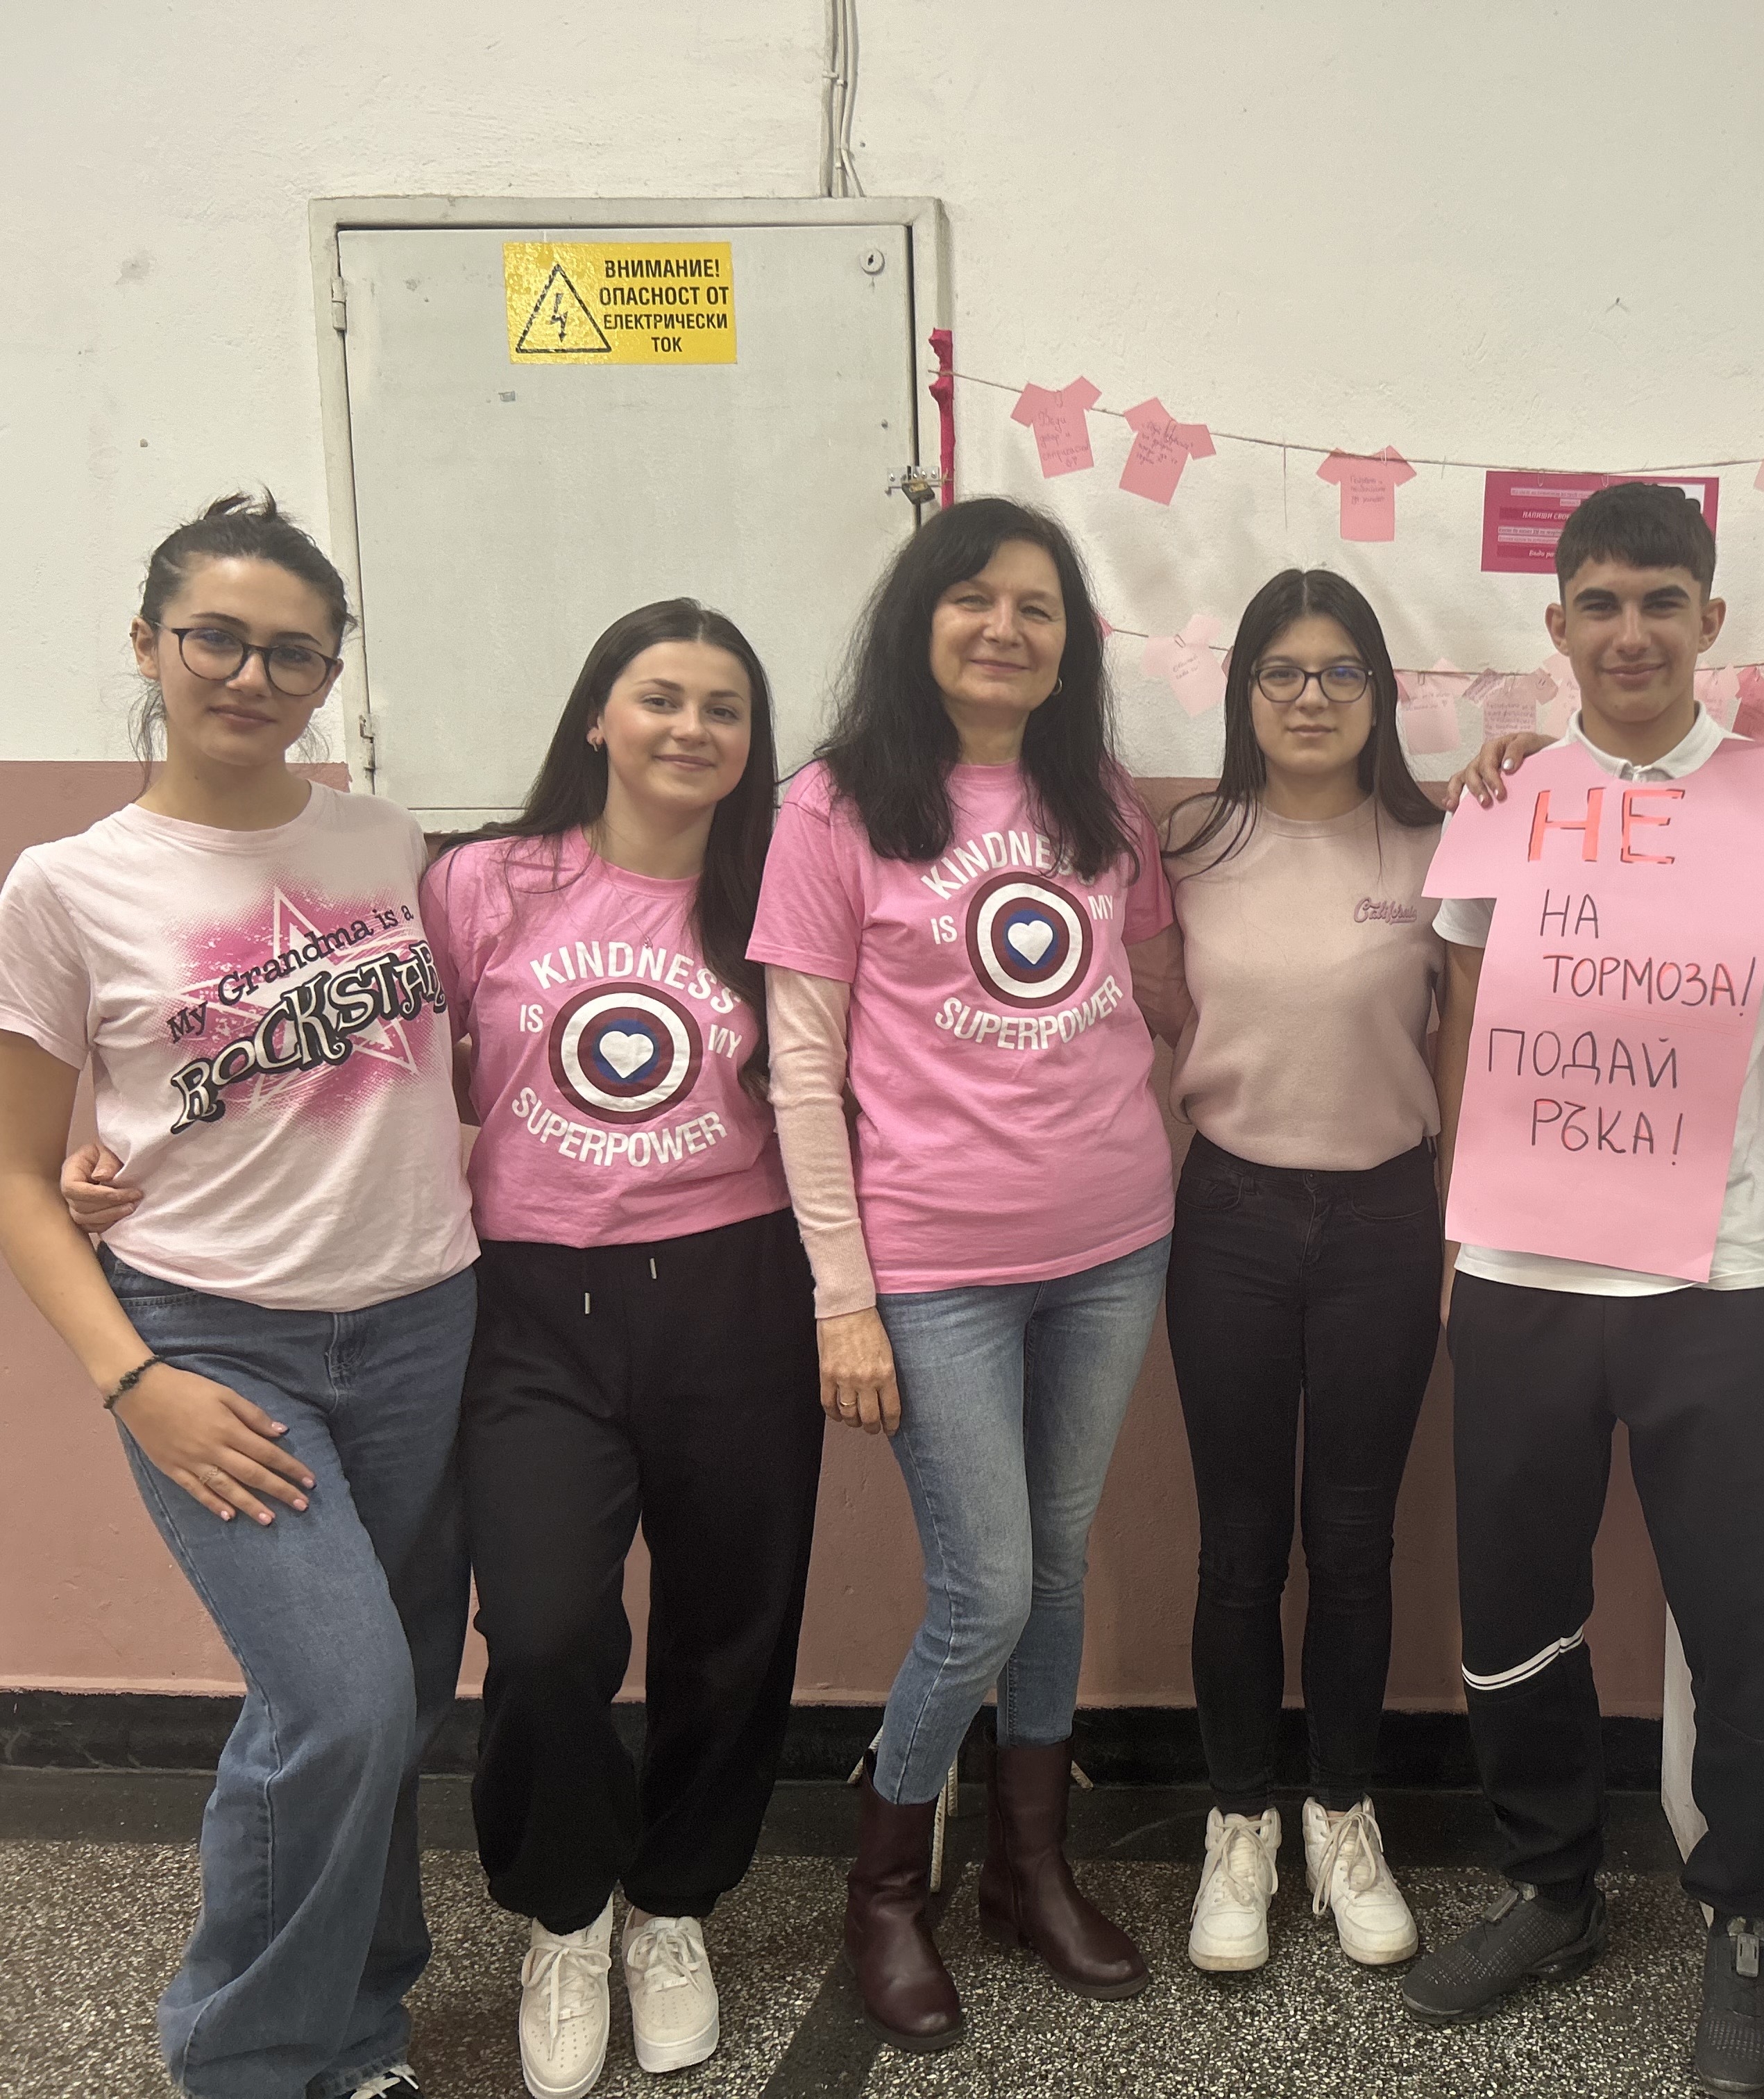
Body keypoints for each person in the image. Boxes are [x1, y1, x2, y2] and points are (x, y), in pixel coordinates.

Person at [0, 496, 477, 2099]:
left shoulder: (384, 840)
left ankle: (362, 2024)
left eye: (293, 653)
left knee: (397, 1701)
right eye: (217, 638)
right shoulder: (68, 887)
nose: (251, 676)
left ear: (330, 673)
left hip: (424, 1323)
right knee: (338, 1703)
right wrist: (135, 1380)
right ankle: (248, 2059)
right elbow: (16, 1173)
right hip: (213, 1344)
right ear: (149, 644)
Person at [1400, 482, 1764, 2097]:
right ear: (1558, 625)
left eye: (1663, 601)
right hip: (1521, 1270)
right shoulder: (1507, 801)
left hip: (1712, 1273)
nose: (1632, 632)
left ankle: (1745, 1919)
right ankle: (1550, 1890)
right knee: (1516, 1607)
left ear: (1710, 619)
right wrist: (1460, 1238)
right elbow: (1470, 1015)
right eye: (1600, 603)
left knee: (1743, 1617)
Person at [749, 497, 1178, 2050]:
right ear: (917, 619)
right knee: (988, 1584)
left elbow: (1149, 991)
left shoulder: (1099, 797)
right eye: (973, 599)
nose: (1005, 628)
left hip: (1115, 1243)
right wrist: (842, 1297)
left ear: (1070, 647)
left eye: (1038, 608)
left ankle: (1028, 1870)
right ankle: (886, 1888)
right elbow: (803, 1071)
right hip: (933, 1266)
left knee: (1052, 1568)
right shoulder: (833, 806)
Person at [421, 600, 817, 2097]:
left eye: (724, 707)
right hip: (533, 1304)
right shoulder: (486, 882)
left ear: (751, 742)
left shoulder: (775, 888)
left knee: (734, 1626)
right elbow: (385, 1076)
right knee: (541, 1630)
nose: (690, 728)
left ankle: (673, 1903)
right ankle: (567, 1908)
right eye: (660, 696)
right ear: (598, 712)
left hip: (735, 1288)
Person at [1141, 570, 1448, 1973]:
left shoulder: (1440, 845)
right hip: (1233, 1216)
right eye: (1282, 671)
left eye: (1341, 672)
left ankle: (1342, 1815)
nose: (1311, 697)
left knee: (1356, 1539)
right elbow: (1154, 1010)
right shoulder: (1186, 845)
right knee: (1239, 1545)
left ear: (1380, 693)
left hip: (1385, 1217)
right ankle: (1238, 1825)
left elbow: (1469, 1030)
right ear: (1243, 691)